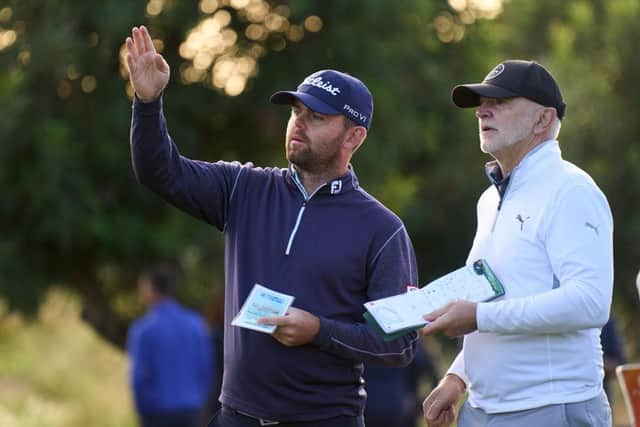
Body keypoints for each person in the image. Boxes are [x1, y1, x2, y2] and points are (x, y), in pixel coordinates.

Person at [125, 25, 419, 427]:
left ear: (354, 136)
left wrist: (318, 329)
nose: (299, 123)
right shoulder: (244, 187)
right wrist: (147, 101)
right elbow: (160, 172)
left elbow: (399, 343)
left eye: (316, 117)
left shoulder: (384, 230)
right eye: (296, 112)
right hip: (235, 417)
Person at [419, 60, 614, 427]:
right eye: (480, 103)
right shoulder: (489, 200)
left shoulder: (572, 189)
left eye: (502, 101)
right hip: (482, 409)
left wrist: (477, 317)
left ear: (543, 120)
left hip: (552, 408)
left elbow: (590, 302)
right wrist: (458, 376)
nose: (483, 110)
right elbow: (497, 297)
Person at [127, 263, 214, 427]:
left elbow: (138, 377)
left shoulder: (144, 329)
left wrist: (142, 411)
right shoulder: (195, 323)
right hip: (191, 408)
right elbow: (206, 367)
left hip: (157, 411)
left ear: (150, 288)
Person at [363, 342, 439, 427]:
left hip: (399, 416)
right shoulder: (408, 343)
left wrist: (419, 406)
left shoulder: (408, 343)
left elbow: (436, 379)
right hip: (368, 413)